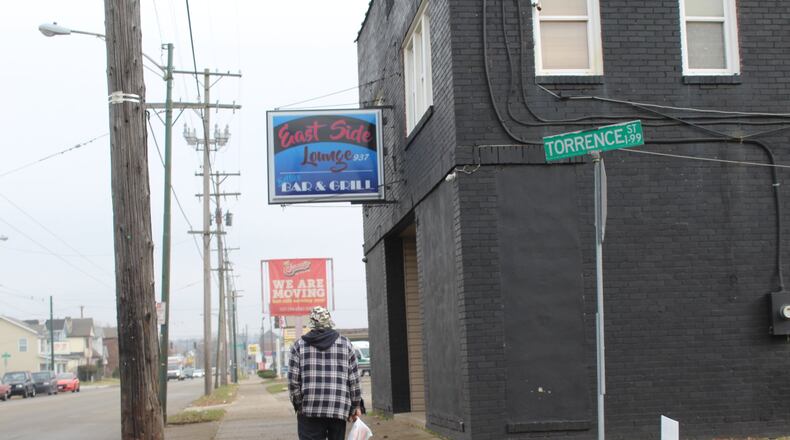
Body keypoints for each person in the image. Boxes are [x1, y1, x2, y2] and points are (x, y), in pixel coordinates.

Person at [288, 306, 362, 440]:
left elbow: (293, 382)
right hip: (338, 408)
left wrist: (299, 405)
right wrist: (355, 406)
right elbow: (354, 381)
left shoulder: (299, 346)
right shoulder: (346, 344)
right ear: (329, 322)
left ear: (311, 323)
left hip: (310, 409)